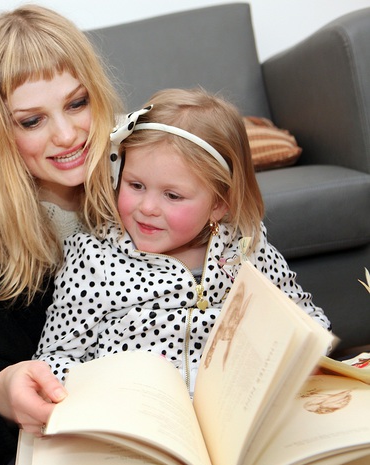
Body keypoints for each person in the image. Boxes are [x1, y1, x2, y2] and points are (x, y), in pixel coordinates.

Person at [33, 88, 331, 394]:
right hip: (137, 415)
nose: (147, 207)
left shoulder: (245, 248)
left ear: (218, 204)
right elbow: (55, 357)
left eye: (172, 195)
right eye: (135, 185)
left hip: (233, 410)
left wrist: (306, 357)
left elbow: (305, 319)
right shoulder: (93, 261)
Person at [0, 4, 123, 465]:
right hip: (61, 442)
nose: (66, 135)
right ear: (0, 130)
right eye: (32, 121)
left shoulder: (145, 176)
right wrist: (3, 392)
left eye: (77, 103)